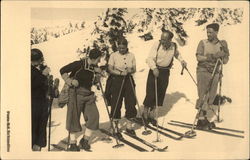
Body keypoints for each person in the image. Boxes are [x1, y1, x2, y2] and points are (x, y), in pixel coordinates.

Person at [60, 48, 102, 151]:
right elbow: (62, 70)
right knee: (73, 118)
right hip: (75, 93)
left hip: (88, 95)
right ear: (93, 58)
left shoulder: (94, 67)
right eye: (98, 59)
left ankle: (85, 140)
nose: (99, 62)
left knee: (94, 116)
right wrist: (69, 81)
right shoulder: (79, 64)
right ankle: (73, 143)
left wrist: (98, 75)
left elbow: (94, 81)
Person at [142, 30, 187, 125]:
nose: (162, 41)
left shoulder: (173, 46)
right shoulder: (157, 45)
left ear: (170, 40)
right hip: (154, 69)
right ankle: (145, 113)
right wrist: (154, 68)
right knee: (151, 92)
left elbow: (177, 54)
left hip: (165, 71)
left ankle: (152, 114)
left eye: (164, 40)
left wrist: (182, 61)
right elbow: (150, 58)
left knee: (160, 93)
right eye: (161, 39)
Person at [195, 23, 229, 129]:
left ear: (216, 32)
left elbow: (225, 61)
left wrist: (225, 53)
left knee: (211, 96)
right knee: (203, 95)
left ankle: (203, 116)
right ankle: (200, 120)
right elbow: (199, 58)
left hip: (216, 72)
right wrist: (213, 56)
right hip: (203, 71)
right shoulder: (203, 43)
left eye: (210, 32)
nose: (208, 34)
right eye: (207, 32)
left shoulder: (221, 44)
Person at [108, 38, 137, 138]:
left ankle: (129, 126)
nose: (121, 50)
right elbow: (110, 69)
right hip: (116, 80)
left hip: (128, 80)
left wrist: (130, 70)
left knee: (131, 102)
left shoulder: (131, 55)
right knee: (116, 102)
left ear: (126, 47)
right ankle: (115, 127)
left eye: (123, 48)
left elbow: (134, 69)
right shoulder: (113, 55)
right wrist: (120, 72)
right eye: (119, 48)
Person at [31, 48, 51, 151]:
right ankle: (34, 146)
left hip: (42, 101)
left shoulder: (38, 68)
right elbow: (32, 85)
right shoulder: (29, 70)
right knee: (35, 125)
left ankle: (38, 146)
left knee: (42, 124)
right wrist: (43, 75)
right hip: (34, 102)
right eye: (39, 59)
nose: (41, 61)